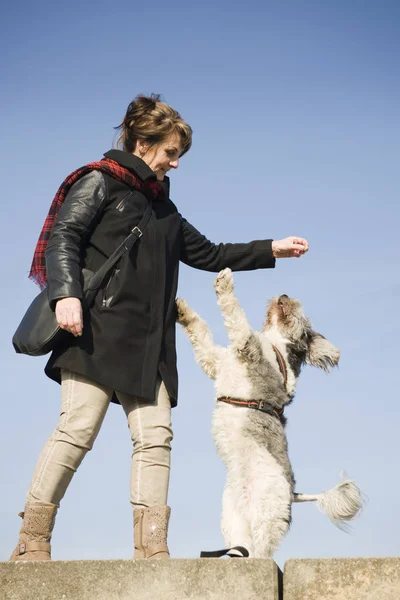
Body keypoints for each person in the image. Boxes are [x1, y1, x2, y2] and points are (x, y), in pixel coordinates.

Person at [10, 94, 309, 562]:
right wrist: (65, 294)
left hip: (151, 346)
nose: (175, 162)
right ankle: (32, 542)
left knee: (156, 440)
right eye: (170, 152)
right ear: (141, 142)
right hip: (96, 332)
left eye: (177, 154)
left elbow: (211, 254)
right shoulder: (99, 182)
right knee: (76, 431)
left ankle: (151, 552)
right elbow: (62, 237)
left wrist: (272, 248)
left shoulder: (164, 212)